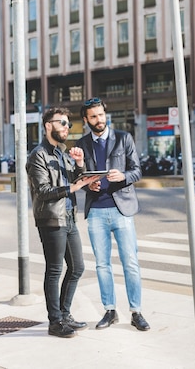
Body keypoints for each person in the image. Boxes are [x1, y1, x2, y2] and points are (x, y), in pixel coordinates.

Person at [75, 97, 150, 332]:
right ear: (86, 120)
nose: (99, 120)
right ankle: (110, 310)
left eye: (101, 115)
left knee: (131, 262)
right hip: (96, 210)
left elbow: (137, 171)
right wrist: (89, 185)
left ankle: (136, 312)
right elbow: (79, 176)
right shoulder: (82, 143)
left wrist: (124, 177)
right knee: (102, 265)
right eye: (94, 116)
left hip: (122, 209)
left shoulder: (124, 138)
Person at [27, 107, 100, 338]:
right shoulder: (38, 155)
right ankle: (55, 321)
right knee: (55, 270)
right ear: (48, 125)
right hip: (50, 218)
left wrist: (79, 164)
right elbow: (43, 190)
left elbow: (77, 178)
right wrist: (72, 187)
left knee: (77, 267)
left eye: (68, 124)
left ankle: (65, 314)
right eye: (62, 123)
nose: (67, 128)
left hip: (68, 217)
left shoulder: (62, 153)